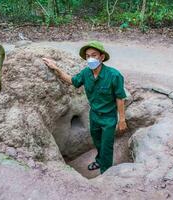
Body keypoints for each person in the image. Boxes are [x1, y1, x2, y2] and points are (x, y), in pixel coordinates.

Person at [43, 41, 127, 174]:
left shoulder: (114, 75)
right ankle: (99, 161)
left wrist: (122, 119)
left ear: (102, 57)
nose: (90, 59)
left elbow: (120, 98)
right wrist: (56, 68)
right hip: (94, 116)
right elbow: (72, 80)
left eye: (94, 55)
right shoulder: (86, 73)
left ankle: (105, 173)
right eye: (88, 56)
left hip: (108, 118)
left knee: (106, 146)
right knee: (98, 142)